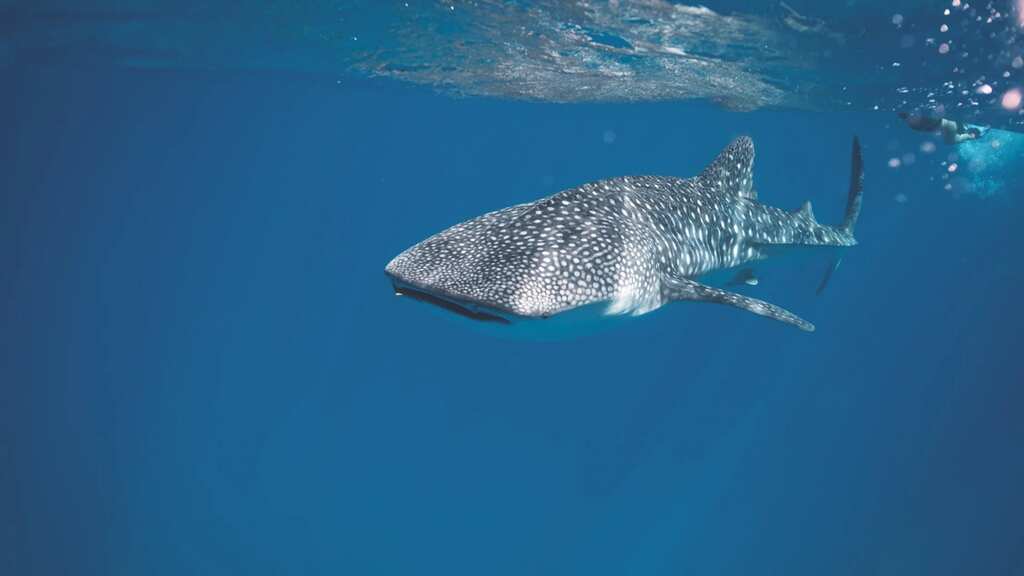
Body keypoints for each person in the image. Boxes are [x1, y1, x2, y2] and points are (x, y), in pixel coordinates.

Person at [898, 112, 989, 144]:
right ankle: (975, 132)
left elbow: (930, 128)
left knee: (953, 137)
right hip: (947, 126)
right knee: (955, 133)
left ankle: (974, 133)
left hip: (946, 125)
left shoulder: (913, 125)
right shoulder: (914, 125)